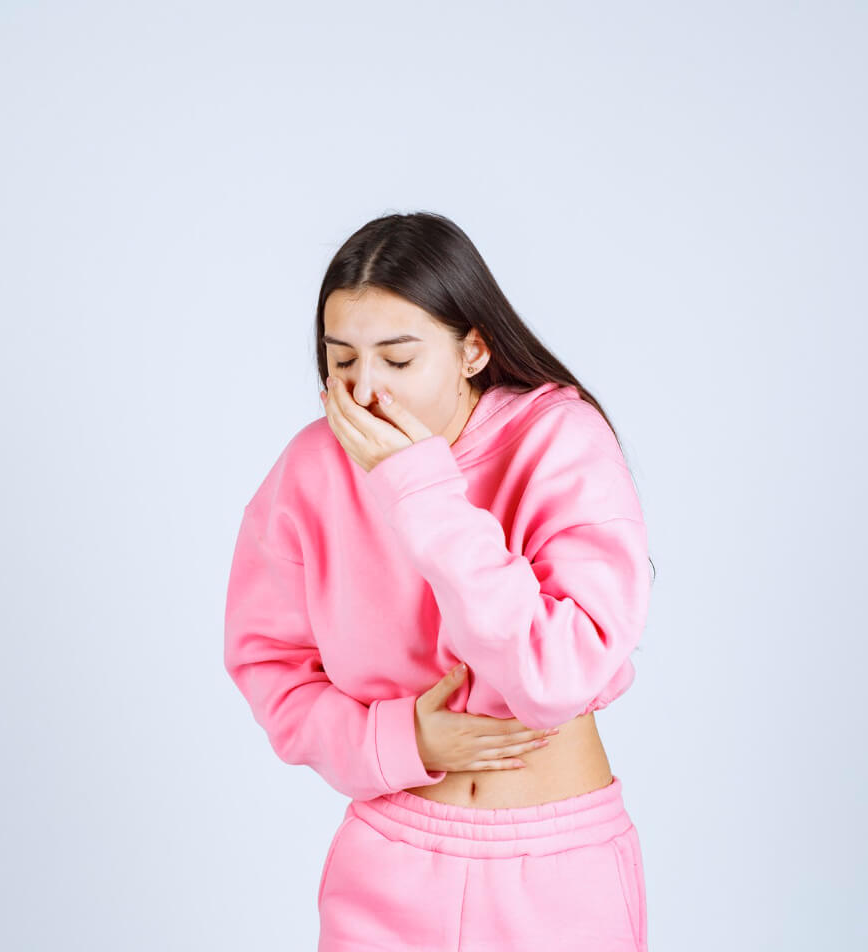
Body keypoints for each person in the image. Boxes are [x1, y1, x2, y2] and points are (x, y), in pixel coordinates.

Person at [223, 211, 655, 951]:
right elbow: (270, 668)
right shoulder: (311, 467)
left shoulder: (560, 441)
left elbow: (556, 677)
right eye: (342, 360)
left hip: (556, 876)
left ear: (472, 350)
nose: (363, 391)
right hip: (390, 863)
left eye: (397, 360)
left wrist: (419, 488)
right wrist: (399, 738)